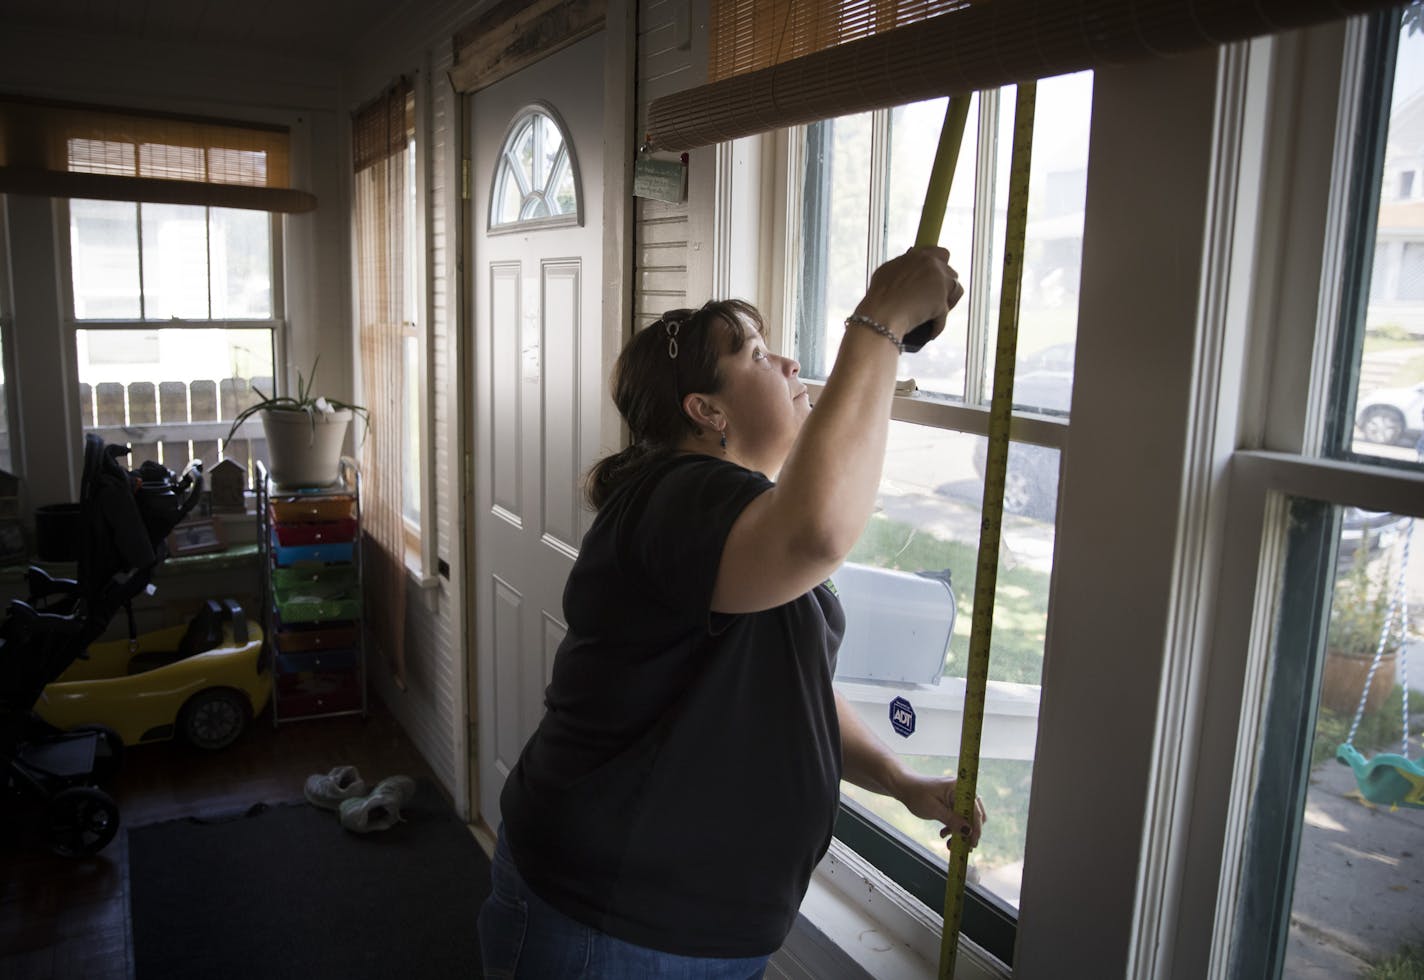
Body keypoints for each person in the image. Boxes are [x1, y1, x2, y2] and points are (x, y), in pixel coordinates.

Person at [477, 246, 986, 979]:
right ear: (706, 411)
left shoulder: (737, 519)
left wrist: (898, 779)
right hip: (606, 925)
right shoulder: (675, 495)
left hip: (709, 929)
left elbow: (790, 684)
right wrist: (878, 322)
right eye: (754, 353)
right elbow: (818, 532)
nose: (784, 364)